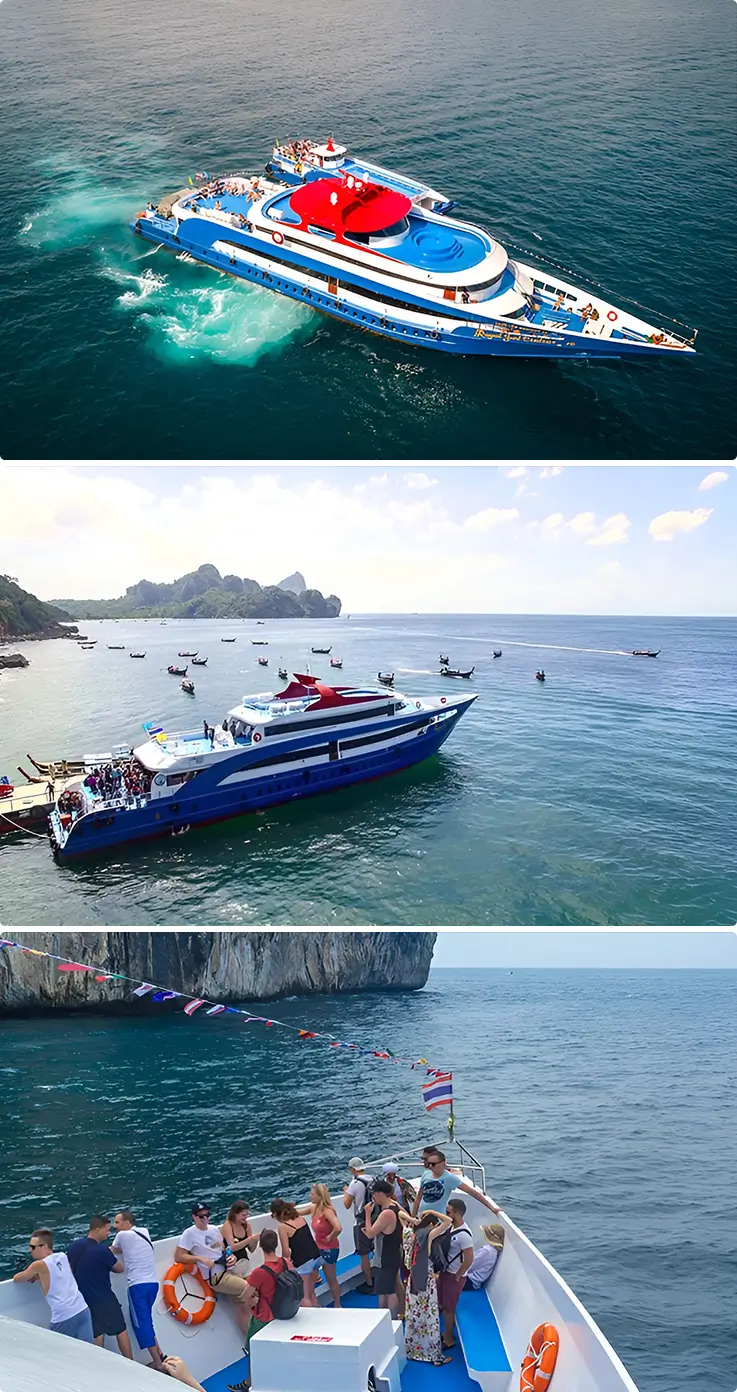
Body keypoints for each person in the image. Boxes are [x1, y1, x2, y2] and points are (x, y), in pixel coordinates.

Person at [174, 1202, 251, 1336]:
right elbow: (179, 1256)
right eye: (201, 1216)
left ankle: (248, 1338)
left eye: (207, 1215)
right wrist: (200, 1259)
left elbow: (222, 1249)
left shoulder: (214, 1229)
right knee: (251, 1289)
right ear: (194, 1217)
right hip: (217, 1277)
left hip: (228, 1270)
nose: (205, 1219)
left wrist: (231, 1257)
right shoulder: (189, 1233)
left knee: (242, 1306)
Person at [67, 1214, 133, 1357]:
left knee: (97, 1333)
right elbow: (119, 1268)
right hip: (104, 1297)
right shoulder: (102, 1250)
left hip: (84, 1298)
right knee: (120, 1329)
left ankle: (99, 1366)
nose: (108, 1233)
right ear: (97, 1229)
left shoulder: (74, 1247)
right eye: (106, 1230)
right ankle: (132, 1362)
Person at [13, 1228, 93, 1342]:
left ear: (44, 1246)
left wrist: (37, 1275)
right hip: (82, 1309)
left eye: (33, 1247)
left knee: (58, 1354)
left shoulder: (39, 1265)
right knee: (87, 1350)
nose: (30, 1250)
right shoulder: (62, 1256)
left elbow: (18, 1278)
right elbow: (61, 1274)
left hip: (64, 1316)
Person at [111, 1208, 166, 1371]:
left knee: (141, 1324)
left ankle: (157, 1363)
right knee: (147, 1321)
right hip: (152, 1284)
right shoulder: (144, 1231)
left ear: (127, 1223)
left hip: (138, 1286)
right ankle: (160, 1353)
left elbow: (113, 1250)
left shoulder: (122, 1235)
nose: (115, 1226)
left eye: (117, 1222)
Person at [403, 1211, 452, 1365]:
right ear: (431, 1225)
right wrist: (431, 1211)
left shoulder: (408, 1234)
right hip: (426, 1281)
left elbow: (400, 1215)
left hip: (413, 1281)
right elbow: (448, 1221)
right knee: (430, 1318)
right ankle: (433, 1356)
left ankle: (413, 1351)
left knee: (414, 1316)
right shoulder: (428, 1236)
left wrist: (413, 1220)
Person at [412, 1149, 500, 1219]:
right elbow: (418, 1199)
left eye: (433, 1164)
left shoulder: (449, 1178)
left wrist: (492, 1208)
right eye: (429, 1164)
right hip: (422, 1217)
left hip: (439, 1220)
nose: (430, 1166)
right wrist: (413, 1218)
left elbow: (472, 1192)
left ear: (443, 1163)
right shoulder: (426, 1174)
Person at [362, 1180, 407, 1319]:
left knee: (387, 1291)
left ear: (380, 1194)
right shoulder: (396, 1206)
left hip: (385, 1256)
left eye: (374, 1194)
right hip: (395, 1252)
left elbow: (370, 1234)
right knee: (390, 1285)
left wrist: (367, 1214)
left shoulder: (386, 1213)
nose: (373, 1198)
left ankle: (390, 1319)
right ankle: (395, 1314)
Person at [296, 1183, 343, 1308]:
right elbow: (298, 1213)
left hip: (329, 1249)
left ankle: (337, 1305)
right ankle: (315, 1305)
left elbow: (338, 1227)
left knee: (331, 1279)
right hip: (317, 1249)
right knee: (310, 1280)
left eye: (312, 1194)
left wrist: (330, 1237)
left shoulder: (327, 1211)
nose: (310, 1196)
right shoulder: (313, 1208)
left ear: (319, 1196)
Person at [437, 1198, 474, 1351]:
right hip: (446, 1272)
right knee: (442, 1303)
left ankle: (450, 1338)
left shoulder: (464, 1235)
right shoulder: (451, 1227)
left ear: (457, 1213)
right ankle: (446, 1331)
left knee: (448, 1308)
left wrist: (458, 1275)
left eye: (448, 1212)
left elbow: (469, 1258)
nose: (446, 1214)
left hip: (454, 1276)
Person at [270, 1199, 321, 1306]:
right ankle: (319, 1314)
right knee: (311, 1292)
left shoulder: (283, 1227)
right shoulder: (300, 1218)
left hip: (303, 1262)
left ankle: (313, 1321)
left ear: (275, 1214)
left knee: (304, 1297)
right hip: (316, 1256)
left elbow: (286, 1251)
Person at [343, 1157, 376, 1292]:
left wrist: (346, 1191)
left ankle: (369, 1283)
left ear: (352, 1169)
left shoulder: (355, 1184)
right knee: (377, 1250)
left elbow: (346, 1204)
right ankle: (379, 1278)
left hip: (361, 1221)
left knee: (364, 1255)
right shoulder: (373, 1179)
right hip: (375, 1218)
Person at [221, 1201, 259, 1276]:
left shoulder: (246, 1226)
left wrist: (255, 1240)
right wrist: (249, 1239)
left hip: (244, 1261)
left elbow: (251, 1249)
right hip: (231, 1264)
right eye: (243, 1215)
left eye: (247, 1214)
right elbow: (232, 1247)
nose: (246, 1217)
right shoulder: (228, 1225)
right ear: (235, 1214)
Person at [466, 1223, 505, 1289]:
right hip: (475, 1282)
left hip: (470, 1281)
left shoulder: (486, 1251)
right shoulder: (493, 1250)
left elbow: (470, 1265)